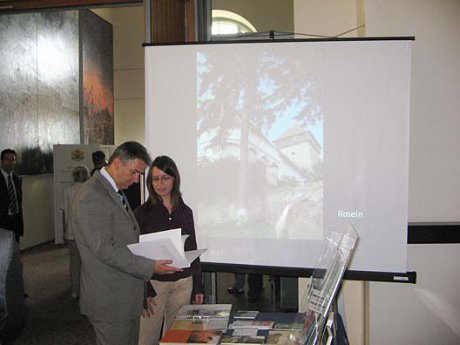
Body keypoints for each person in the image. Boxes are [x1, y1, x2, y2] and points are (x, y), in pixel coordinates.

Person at [72, 141, 182, 345]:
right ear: (117, 163)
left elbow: (126, 238)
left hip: (124, 296)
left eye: (139, 174)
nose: (135, 180)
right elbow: (104, 249)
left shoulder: (111, 189)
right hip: (110, 300)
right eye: (134, 173)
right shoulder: (92, 196)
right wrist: (150, 266)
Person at [135, 156, 204, 345]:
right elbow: (136, 256)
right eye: (155, 179)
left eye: (165, 178)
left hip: (183, 283)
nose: (160, 183)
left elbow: (193, 248)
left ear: (175, 179)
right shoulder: (142, 214)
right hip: (155, 284)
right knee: (146, 338)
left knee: (177, 338)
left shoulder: (185, 211)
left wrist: (198, 285)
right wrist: (145, 290)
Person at [61, 165, 90, 299]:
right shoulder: (89, 190)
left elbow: (63, 212)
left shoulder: (67, 191)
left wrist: (64, 230)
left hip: (70, 232)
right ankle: (86, 291)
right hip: (86, 234)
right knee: (87, 263)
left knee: (74, 263)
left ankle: (74, 290)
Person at [0, 149, 23, 244]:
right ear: (1, 161)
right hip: (2, 221)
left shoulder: (17, 179)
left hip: (16, 220)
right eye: (7, 159)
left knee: (14, 248)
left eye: (13, 160)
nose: (10, 162)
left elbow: (19, 200)